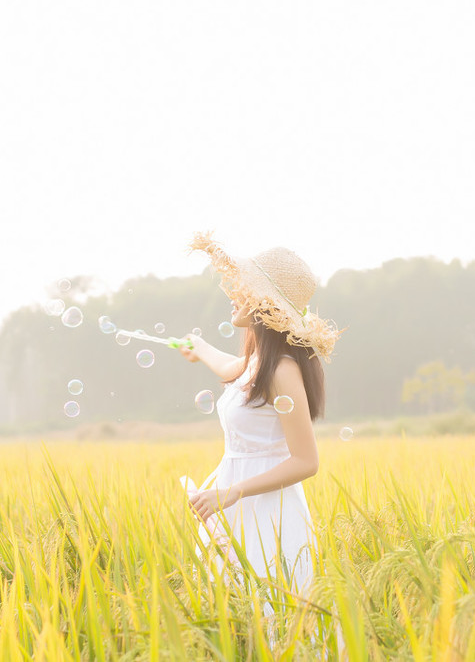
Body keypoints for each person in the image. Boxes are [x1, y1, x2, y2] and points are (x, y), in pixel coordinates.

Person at [180, 230, 346, 652]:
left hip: (266, 511)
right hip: (233, 502)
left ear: (264, 305)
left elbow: (306, 461)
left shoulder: (282, 370)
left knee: (276, 623)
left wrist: (232, 492)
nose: (234, 293)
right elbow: (228, 368)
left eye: (244, 288)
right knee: (233, 624)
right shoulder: (257, 361)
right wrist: (198, 347)